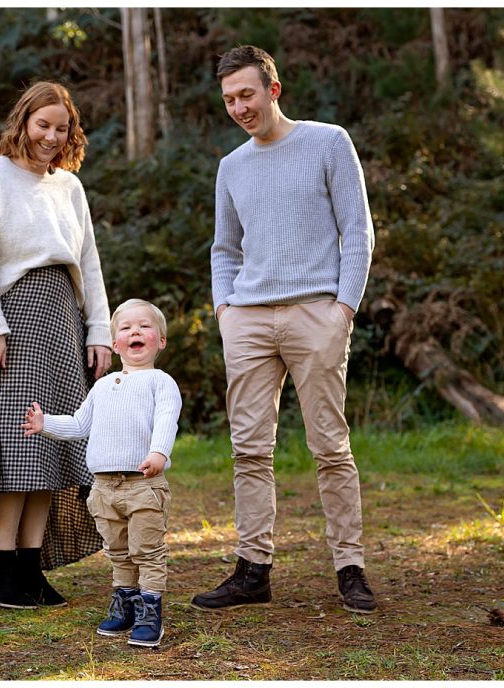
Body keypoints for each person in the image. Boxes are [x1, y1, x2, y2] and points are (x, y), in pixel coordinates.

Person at [191, 45, 378, 614]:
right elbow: (224, 248)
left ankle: (350, 567)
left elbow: (358, 232)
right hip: (248, 320)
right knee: (249, 449)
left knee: (330, 446)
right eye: (228, 100)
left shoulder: (328, 142)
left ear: (274, 89)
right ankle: (253, 569)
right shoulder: (231, 166)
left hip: (314, 314)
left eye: (247, 94)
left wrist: (342, 309)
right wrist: (226, 311)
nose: (239, 107)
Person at [0, 81, 113, 610]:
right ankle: (3, 570)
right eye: (43, 125)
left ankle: (31, 566)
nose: (51, 136)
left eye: (61, 128)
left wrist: (100, 330)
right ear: (22, 123)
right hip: (11, 323)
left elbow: (88, 262)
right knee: (15, 449)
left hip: (61, 319)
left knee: (53, 447)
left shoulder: (69, 187)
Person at [21, 299, 182, 648]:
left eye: (144, 326)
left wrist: (158, 453)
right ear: (114, 344)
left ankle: (150, 608)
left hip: (143, 485)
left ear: (161, 341)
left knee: (147, 549)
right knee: (118, 549)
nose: (135, 332)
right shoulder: (103, 386)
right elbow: (80, 424)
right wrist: (45, 423)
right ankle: (124, 600)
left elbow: (167, 419)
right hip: (104, 488)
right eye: (125, 328)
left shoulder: (161, 382)